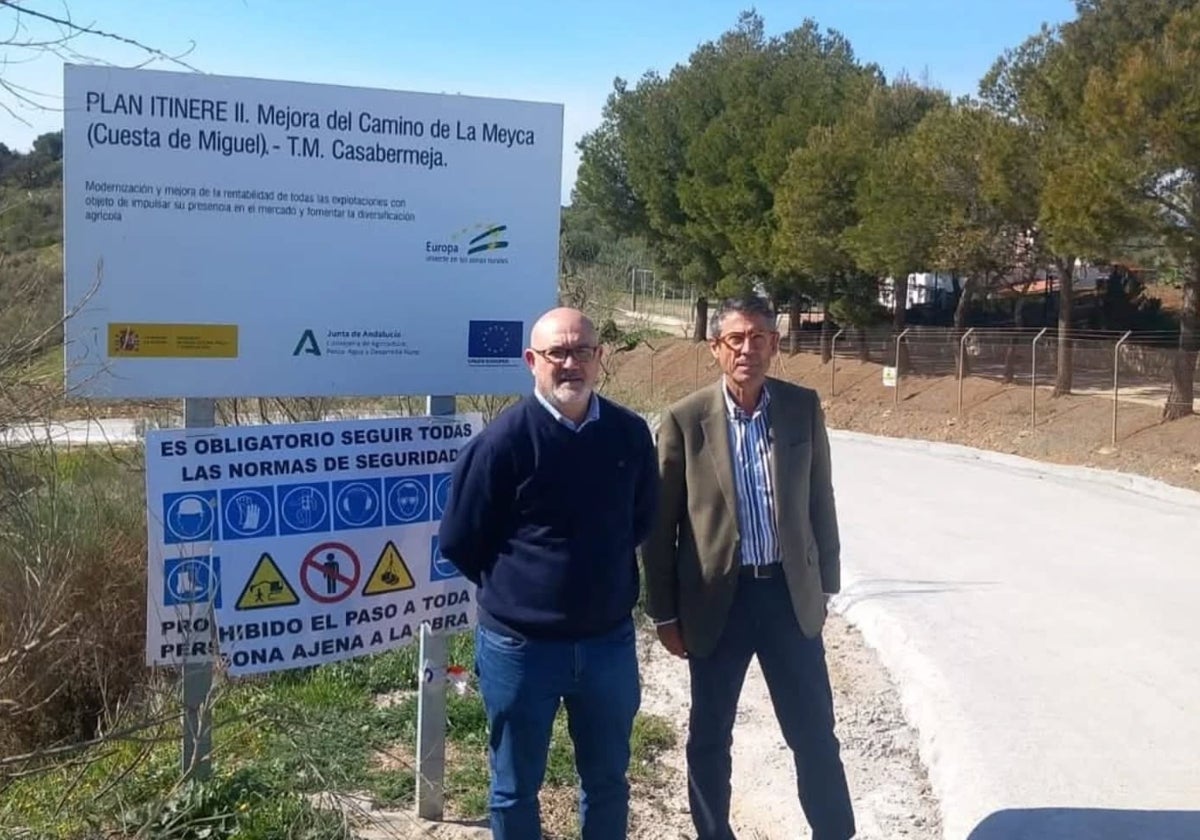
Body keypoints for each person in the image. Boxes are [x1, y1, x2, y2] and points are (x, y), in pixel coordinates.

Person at [437, 306, 658, 840]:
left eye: (582, 350)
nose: (570, 363)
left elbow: (640, 521)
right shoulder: (502, 443)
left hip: (607, 646)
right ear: (532, 361)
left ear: (599, 359)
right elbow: (461, 542)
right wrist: (525, 592)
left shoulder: (629, 435)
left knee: (608, 782)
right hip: (520, 650)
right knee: (514, 789)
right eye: (557, 352)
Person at [640, 295, 856, 840]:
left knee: (814, 732)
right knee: (710, 736)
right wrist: (664, 613)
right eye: (735, 339)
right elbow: (660, 527)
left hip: (787, 596)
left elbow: (819, 499)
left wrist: (824, 584)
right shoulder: (685, 421)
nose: (747, 349)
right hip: (718, 603)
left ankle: (835, 832)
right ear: (715, 347)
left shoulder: (801, 407)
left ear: (774, 345)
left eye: (758, 337)